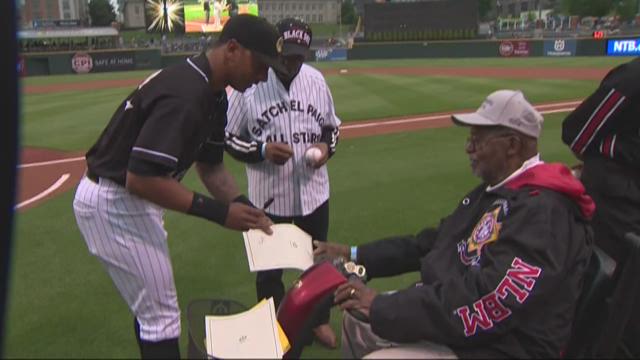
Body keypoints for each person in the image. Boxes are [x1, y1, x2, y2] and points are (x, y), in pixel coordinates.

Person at [316, 90, 595, 358]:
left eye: (478, 139)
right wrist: (353, 254)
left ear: (512, 145)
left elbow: (493, 300)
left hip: (504, 346)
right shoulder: (497, 191)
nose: (468, 148)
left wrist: (383, 306)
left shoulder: (544, 211)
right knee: (358, 322)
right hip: (466, 326)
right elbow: (431, 243)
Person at [72, 15, 285, 359]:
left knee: (154, 312)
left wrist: (245, 206)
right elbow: (141, 178)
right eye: (260, 64)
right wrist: (220, 213)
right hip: (116, 202)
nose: (263, 76)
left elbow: (211, 167)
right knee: (162, 319)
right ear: (232, 49)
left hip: (129, 200)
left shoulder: (214, 96)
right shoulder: (187, 92)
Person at [224, 17, 341, 351]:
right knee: (269, 273)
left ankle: (318, 321)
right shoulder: (251, 85)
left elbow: (332, 128)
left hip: (314, 194)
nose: (291, 62)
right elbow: (227, 139)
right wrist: (260, 150)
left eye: (298, 56)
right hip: (268, 199)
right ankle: (274, 331)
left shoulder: (316, 81)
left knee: (317, 263)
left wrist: (324, 149)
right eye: (286, 55)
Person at [561, 57, 640, 357]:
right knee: (614, 292)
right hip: (616, 200)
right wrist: (625, 151)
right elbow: (576, 132)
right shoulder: (633, 78)